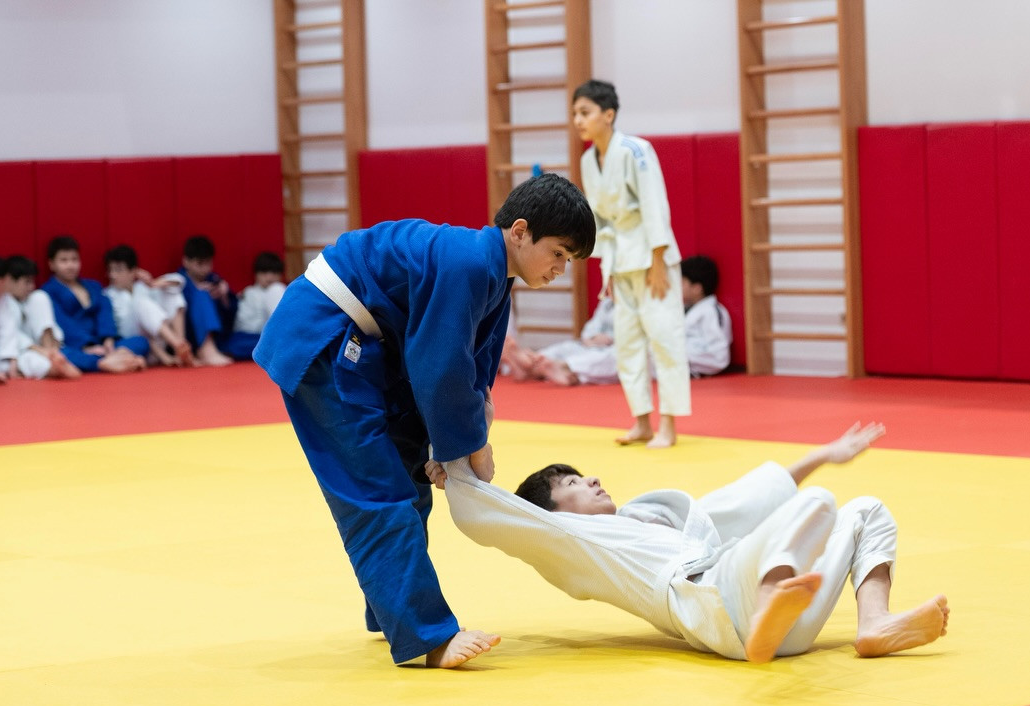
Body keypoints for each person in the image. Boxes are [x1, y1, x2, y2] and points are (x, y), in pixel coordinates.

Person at [254, 172, 596, 670]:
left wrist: (447, 449)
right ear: (520, 231)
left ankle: (388, 609)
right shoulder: (469, 263)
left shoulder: (492, 273)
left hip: (370, 345)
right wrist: (469, 447)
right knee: (378, 489)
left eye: (570, 261)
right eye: (559, 253)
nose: (562, 269)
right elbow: (440, 369)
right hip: (325, 338)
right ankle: (428, 637)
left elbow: (472, 368)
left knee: (411, 475)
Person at [431, 422, 949, 663]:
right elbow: (497, 516)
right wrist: (451, 464)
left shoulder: (660, 518)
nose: (591, 480)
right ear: (552, 513)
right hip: (719, 601)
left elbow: (746, 499)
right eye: (572, 483)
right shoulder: (574, 541)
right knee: (817, 504)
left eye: (583, 475)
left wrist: (825, 453)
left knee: (862, 509)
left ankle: (874, 623)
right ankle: (770, 598)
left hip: (781, 627)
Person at [571, 79, 689, 449]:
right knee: (628, 345)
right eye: (575, 113)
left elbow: (655, 204)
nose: (578, 120)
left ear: (608, 115)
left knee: (665, 339)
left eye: (585, 112)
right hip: (620, 259)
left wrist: (658, 260)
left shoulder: (636, 150)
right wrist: (592, 255)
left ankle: (668, 424)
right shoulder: (588, 160)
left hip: (652, 257)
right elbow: (597, 217)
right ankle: (642, 422)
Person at [530, 255, 732, 386]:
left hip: (676, 363)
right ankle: (537, 362)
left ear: (697, 288)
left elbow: (719, 357)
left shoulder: (711, 312)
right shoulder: (679, 309)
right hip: (656, 355)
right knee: (578, 347)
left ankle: (568, 368)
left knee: (622, 358)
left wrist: (673, 353)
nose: (675, 286)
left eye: (681, 282)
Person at [40, 236, 147, 374]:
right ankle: (110, 362)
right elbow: (63, 322)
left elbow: (105, 312)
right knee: (62, 354)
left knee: (140, 341)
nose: (70, 265)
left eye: (74, 259)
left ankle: (113, 359)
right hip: (77, 346)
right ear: (51, 264)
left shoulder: (93, 286)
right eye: (64, 260)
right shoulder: (47, 292)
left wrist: (108, 339)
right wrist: (87, 346)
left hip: (103, 344)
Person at [103, 244, 195, 367]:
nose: (113, 275)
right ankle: (177, 345)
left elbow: (179, 281)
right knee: (140, 303)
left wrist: (153, 284)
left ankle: (180, 346)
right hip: (137, 345)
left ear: (133, 271)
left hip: (159, 340)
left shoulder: (142, 287)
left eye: (118, 270)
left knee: (173, 294)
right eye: (110, 270)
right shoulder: (107, 294)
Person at [3, 255, 81, 380]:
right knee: (34, 362)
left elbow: (50, 326)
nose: (31, 287)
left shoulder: (32, 299)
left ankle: (53, 354)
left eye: (32, 282)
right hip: (18, 353)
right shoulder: (2, 303)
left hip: (47, 348)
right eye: (27, 282)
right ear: (10, 281)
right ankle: (53, 364)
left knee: (39, 296)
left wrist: (51, 349)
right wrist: (41, 351)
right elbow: (11, 335)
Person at [178, 235, 236, 366]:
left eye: (208, 263)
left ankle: (215, 349)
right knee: (201, 295)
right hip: (190, 338)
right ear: (186, 261)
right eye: (200, 264)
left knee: (258, 344)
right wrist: (197, 292)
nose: (205, 269)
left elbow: (230, 320)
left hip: (219, 338)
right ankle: (206, 349)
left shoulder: (214, 280)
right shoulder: (177, 281)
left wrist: (224, 297)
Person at [222, 251, 286, 361]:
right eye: (264, 272)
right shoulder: (248, 292)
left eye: (274, 273)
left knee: (276, 289)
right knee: (234, 344)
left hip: (272, 337)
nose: (269, 277)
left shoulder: (280, 290)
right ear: (256, 274)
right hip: (248, 336)